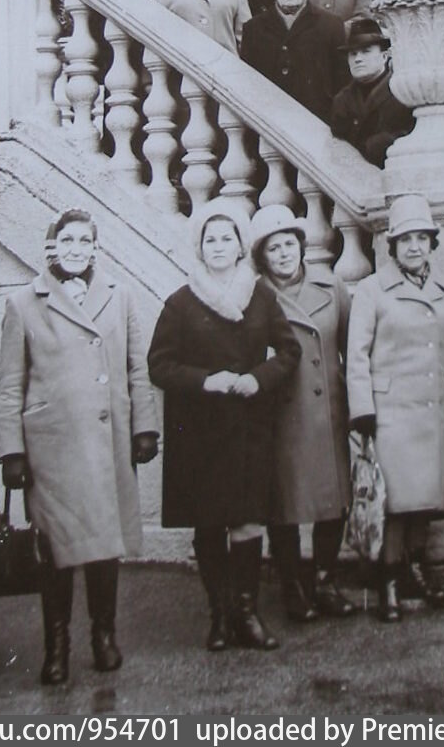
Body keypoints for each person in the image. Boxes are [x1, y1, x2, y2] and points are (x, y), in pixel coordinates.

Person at [0, 209, 159, 686]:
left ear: (94, 248)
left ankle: (104, 636)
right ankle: (57, 646)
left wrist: (144, 428)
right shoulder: (24, 303)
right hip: (53, 449)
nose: (75, 249)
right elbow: (10, 385)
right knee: (57, 548)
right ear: (52, 247)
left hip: (108, 442)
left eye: (84, 241)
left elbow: (137, 368)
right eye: (66, 240)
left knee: (104, 544)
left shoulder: (119, 296)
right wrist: (12, 451)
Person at [147, 199, 301, 652]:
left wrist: (259, 378)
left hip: (250, 427)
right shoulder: (180, 303)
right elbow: (159, 365)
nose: (218, 246)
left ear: (239, 246)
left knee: (249, 522)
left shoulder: (261, 297)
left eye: (226, 238)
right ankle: (220, 615)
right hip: (200, 432)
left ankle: (247, 615)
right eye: (210, 239)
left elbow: (289, 352)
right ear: (200, 248)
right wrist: (204, 381)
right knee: (210, 525)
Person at [346, 194, 444, 622]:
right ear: (392, 246)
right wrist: (363, 411)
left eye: (422, 238)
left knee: (426, 496)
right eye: (406, 240)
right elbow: (356, 355)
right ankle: (389, 580)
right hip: (391, 411)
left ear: (432, 243)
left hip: (434, 408)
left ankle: (415, 568)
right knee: (394, 500)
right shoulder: (371, 290)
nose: (414, 247)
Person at [250, 205, 355, 623]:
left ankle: (325, 582)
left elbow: (352, 347)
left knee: (334, 498)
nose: (283, 254)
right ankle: (293, 587)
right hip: (280, 413)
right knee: (285, 503)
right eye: (273, 248)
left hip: (328, 409)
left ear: (301, 245)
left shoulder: (332, 286)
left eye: (289, 244)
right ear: (262, 256)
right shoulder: (253, 296)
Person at [241, 0, 347, 122]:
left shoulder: (331, 26)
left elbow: (342, 81)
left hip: (318, 121)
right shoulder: (253, 29)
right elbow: (248, 84)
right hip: (270, 122)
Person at [330, 16, 415, 166]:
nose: (358, 59)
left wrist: (382, 143)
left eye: (366, 51)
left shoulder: (403, 92)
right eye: (353, 54)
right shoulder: (342, 100)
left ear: (384, 56)